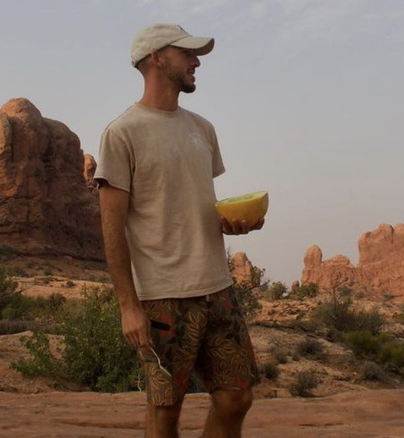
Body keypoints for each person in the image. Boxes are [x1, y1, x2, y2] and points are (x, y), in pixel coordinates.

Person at [94, 23, 263, 438]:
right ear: (156, 58)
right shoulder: (122, 133)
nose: (196, 61)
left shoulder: (202, 128)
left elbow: (194, 202)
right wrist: (127, 306)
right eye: (186, 53)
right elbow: (111, 226)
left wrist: (234, 224)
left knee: (236, 397)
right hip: (163, 298)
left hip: (218, 289)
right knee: (166, 411)